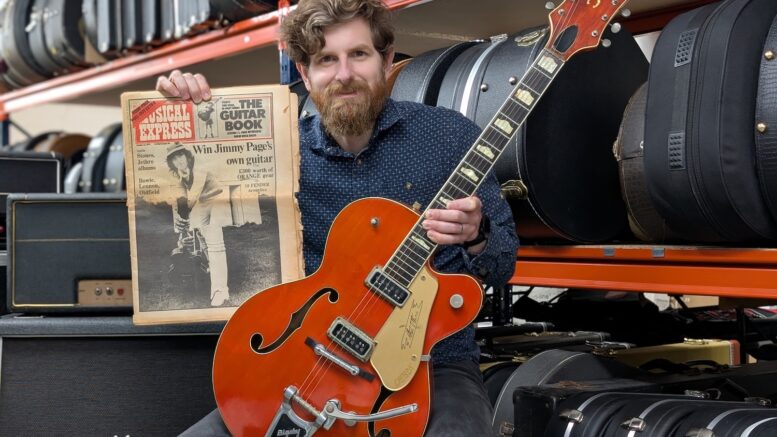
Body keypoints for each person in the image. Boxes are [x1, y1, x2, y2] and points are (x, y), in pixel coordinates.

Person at [159, 0, 519, 434]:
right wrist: (185, 118)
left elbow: (502, 264)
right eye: (326, 59)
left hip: (434, 366)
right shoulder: (274, 156)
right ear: (305, 72)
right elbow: (188, 206)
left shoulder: (449, 137)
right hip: (302, 362)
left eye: (358, 54)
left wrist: (477, 234)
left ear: (386, 59)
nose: (344, 74)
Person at [167, 143, 232, 307]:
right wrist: (180, 222)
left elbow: (194, 195)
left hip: (217, 198)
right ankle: (212, 270)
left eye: (180, 155)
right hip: (201, 203)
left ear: (187, 156)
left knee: (215, 242)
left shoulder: (200, 167)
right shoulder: (178, 176)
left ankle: (220, 290)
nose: (179, 161)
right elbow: (180, 199)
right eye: (174, 158)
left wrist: (186, 216)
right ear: (171, 163)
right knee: (202, 238)